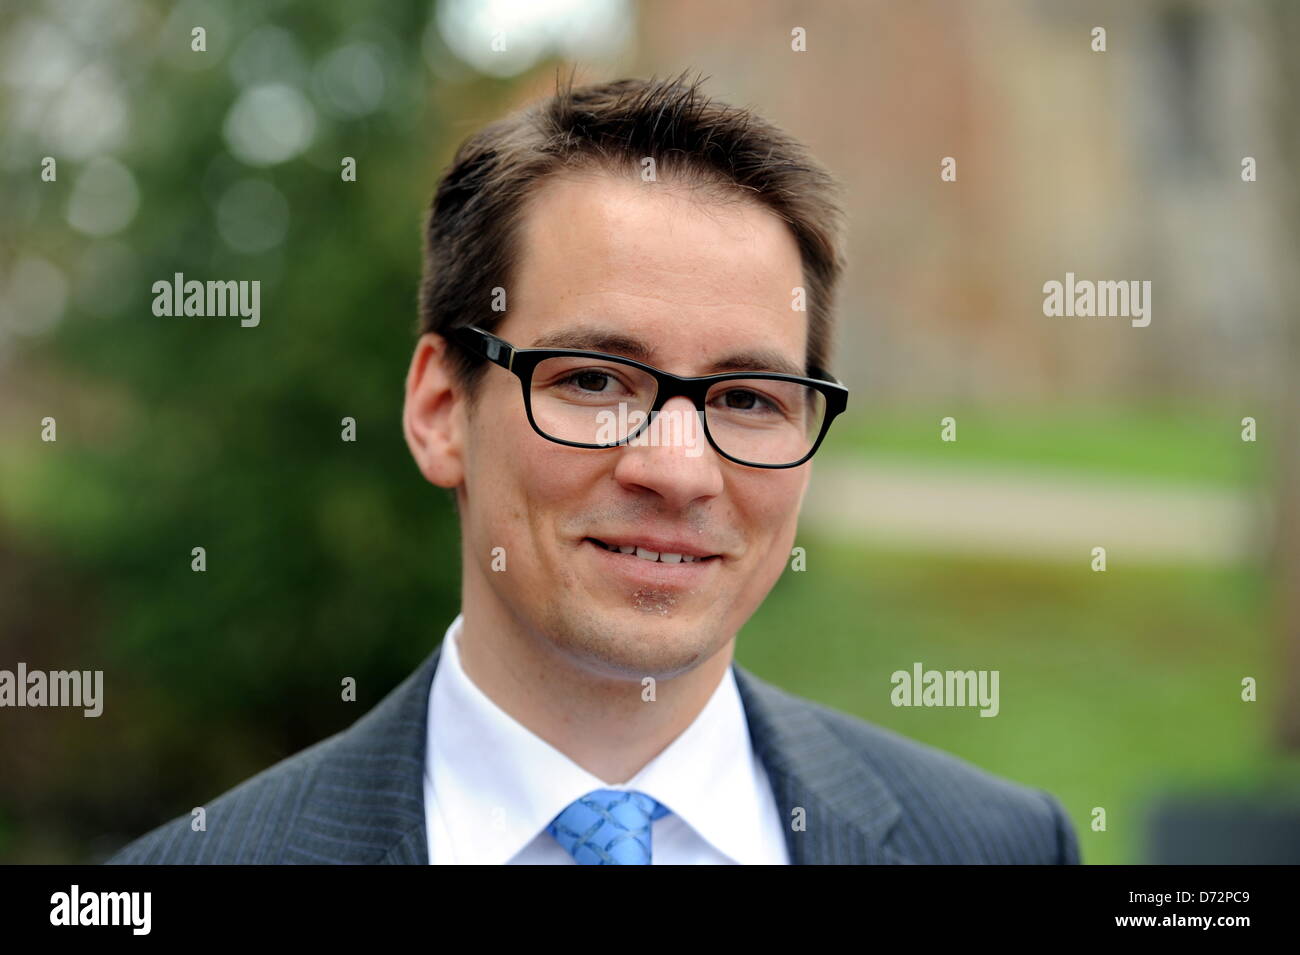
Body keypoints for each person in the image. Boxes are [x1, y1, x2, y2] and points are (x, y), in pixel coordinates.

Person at [108, 72, 1079, 865]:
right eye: (594, 380)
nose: (679, 470)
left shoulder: (1000, 846)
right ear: (442, 409)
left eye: (747, 398)